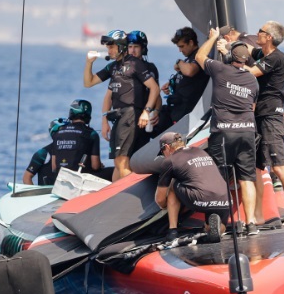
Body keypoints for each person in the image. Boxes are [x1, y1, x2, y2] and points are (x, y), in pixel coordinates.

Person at [196, 28, 261, 235]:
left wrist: (213, 38)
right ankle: (250, 224)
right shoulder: (253, 80)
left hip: (223, 131)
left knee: (219, 178)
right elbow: (252, 107)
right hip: (247, 131)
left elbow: (199, 57)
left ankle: (217, 221)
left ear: (231, 56)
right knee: (247, 178)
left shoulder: (219, 69)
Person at [244, 21, 284, 227]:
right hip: (259, 116)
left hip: (271, 117)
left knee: (278, 167)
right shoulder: (265, 55)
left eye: (260, 31)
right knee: (259, 167)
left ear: (268, 37)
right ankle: (259, 215)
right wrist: (234, 42)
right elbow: (251, 50)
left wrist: (231, 65)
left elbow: (251, 72)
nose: (256, 33)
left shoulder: (277, 57)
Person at [84, 29, 160, 181]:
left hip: (130, 115)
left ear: (121, 47)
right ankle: (115, 197)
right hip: (118, 116)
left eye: (111, 47)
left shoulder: (135, 64)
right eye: (108, 47)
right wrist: (89, 63)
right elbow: (88, 82)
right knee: (118, 162)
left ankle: (133, 198)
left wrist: (148, 111)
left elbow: (154, 88)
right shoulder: (113, 67)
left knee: (122, 162)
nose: (109, 50)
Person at [155, 132, 229, 243]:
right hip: (225, 198)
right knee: (214, 228)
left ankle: (173, 231)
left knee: (173, 185)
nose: (163, 155)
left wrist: (168, 206)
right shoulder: (200, 151)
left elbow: (160, 200)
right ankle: (215, 228)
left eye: (162, 152)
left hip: (201, 198)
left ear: (166, 147)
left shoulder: (170, 160)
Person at [157, 27, 210, 132]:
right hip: (177, 107)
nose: (180, 50)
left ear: (191, 42)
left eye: (182, 46)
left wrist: (179, 62)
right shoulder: (188, 59)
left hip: (188, 111)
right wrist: (171, 84)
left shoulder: (198, 56)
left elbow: (190, 71)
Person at [51, 100, 101, 174]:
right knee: (113, 170)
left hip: (60, 177)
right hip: (81, 177)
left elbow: (54, 167)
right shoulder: (92, 134)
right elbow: (95, 166)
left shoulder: (57, 134)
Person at [23, 118, 67, 185]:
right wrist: (36, 194)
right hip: (47, 193)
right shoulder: (43, 153)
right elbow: (26, 178)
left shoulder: (75, 150)